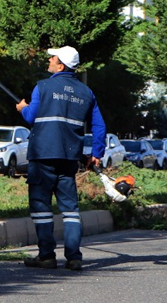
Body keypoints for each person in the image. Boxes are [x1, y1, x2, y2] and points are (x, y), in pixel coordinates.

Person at [15, 45, 106, 272]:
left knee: (41, 206)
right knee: (70, 209)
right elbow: (99, 125)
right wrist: (96, 154)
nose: (49, 60)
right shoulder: (87, 93)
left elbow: (31, 117)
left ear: (61, 64)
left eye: (52, 57)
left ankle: (46, 256)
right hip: (69, 157)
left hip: (43, 155)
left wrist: (22, 108)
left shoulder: (43, 87)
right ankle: (74, 257)